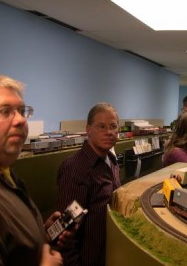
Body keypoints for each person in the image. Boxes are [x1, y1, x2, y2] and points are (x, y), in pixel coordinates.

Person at [0, 74, 69, 266]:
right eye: (4, 111)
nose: (20, 120)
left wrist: (41, 233)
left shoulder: (5, 172)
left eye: (22, 111)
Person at [56, 103, 121, 266]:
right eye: (101, 126)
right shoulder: (76, 170)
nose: (109, 132)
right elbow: (65, 232)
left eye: (113, 126)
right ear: (88, 129)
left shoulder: (111, 161)